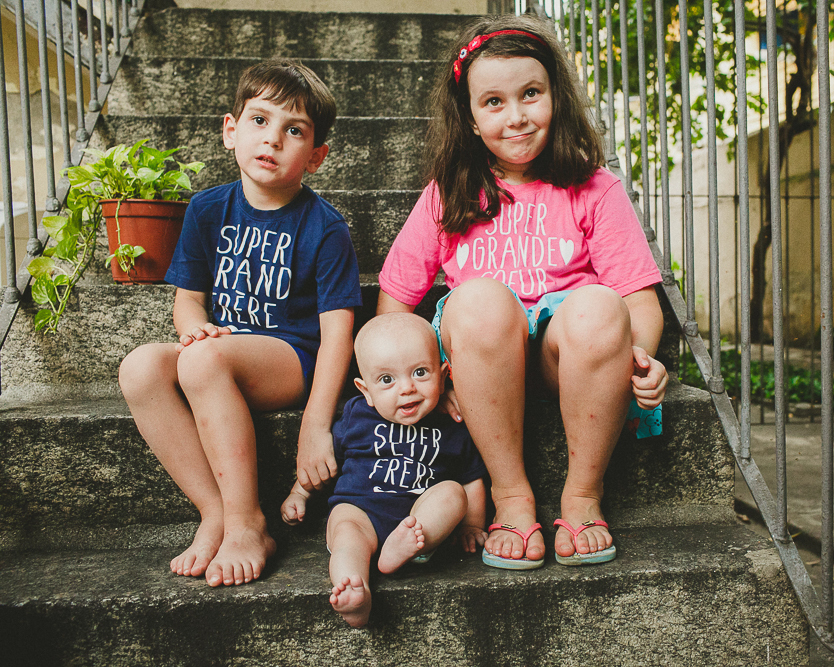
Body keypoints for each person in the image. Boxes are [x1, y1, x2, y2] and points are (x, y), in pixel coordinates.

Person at [377, 15, 669, 570]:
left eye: (530, 94)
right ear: (469, 115)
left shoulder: (594, 188)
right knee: (480, 300)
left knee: (599, 304)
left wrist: (641, 361)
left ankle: (583, 494)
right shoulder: (449, 194)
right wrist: (432, 374)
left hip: (568, 356)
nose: (516, 117)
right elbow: (393, 305)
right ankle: (512, 496)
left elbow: (638, 302)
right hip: (481, 354)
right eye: (493, 102)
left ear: (555, 95)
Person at [118, 59, 362, 588]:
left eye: (292, 130)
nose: (271, 139)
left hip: (290, 359)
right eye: (259, 120)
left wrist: (315, 427)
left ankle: (249, 521)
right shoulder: (208, 209)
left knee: (205, 361)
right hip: (219, 357)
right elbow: (188, 302)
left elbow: (339, 335)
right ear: (231, 130)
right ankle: (216, 512)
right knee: (139, 367)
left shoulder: (325, 229)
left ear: (316, 156)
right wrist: (193, 330)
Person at [281, 313, 488, 628]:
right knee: (346, 534)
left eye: (420, 372)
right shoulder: (356, 415)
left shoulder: (453, 422)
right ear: (365, 390)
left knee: (452, 493)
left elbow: (471, 478)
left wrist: (472, 525)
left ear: (444, 375)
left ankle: (402, 550)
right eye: (387, 380)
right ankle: (354, 591)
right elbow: (325, 458)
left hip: (418, 525)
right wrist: (300, 492)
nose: (406, 389)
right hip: (360, 510)